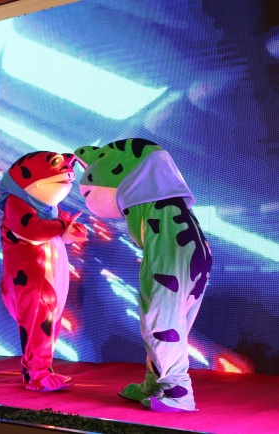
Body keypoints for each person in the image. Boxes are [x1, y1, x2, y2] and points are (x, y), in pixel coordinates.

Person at [74, 138, 212, 412]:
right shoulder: (170, 200)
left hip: (169, 254)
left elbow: (138, 234)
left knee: (160, 321)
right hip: (193, 252)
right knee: (173, 321)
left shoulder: (148, 200)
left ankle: (177, 391)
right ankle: (156, 384)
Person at [0, 151, 88, 391]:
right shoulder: (16, 203)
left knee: (49, 322)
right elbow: (33, 231)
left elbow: (54, 234)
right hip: (32, 279)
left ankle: (40, 370)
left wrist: (70, 231)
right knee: (39, 322)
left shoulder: (50, 208)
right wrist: (62, 223)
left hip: (49, 274)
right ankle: (37, 374)